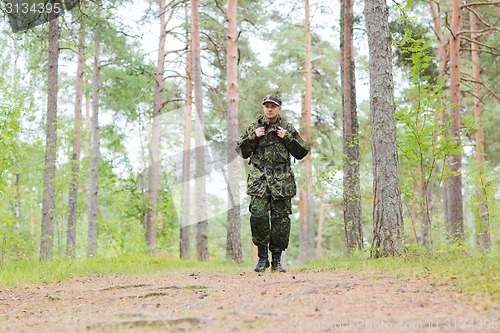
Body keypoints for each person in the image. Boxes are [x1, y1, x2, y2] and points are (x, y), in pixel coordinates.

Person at [236, 94, 309, 272]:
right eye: (266, 106)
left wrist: (288, 138)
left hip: (281, 179)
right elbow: (241, 151)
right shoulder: (256, 127)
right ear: (263, 108)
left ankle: (276, 259)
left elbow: (302, 152)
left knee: (281, 220)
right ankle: (262, 258)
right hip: (259, 179)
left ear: (279, 108)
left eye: (273, 106)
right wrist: (253, 137)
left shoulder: (286, 128)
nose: (269, 109)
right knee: (258, 216)